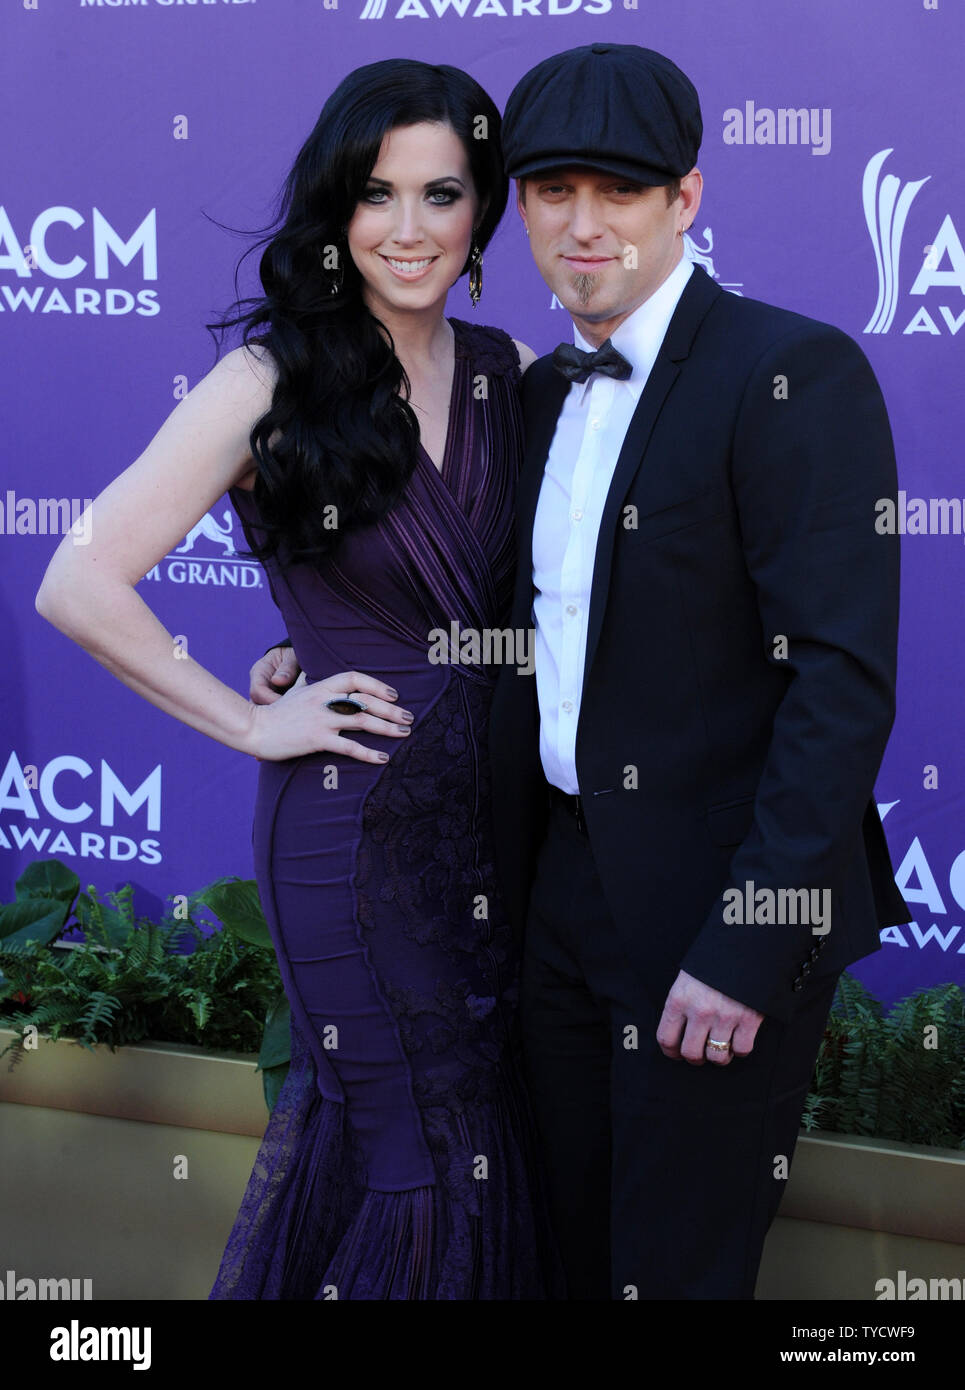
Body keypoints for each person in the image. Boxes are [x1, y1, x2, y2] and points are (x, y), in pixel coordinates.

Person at [258, 43, 911, 1301]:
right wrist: (318, 645)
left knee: (674, 1270)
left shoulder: (791, 373)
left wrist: (744, 943)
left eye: (620, 190)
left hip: (711, 908)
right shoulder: (533, 388)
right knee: (552, 1252)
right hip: (545, 898)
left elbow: (838, 683)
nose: (584, 224)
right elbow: (513, 623)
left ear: (686, 198)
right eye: (553, 191)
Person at [36, 58, 564, 1300]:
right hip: (352, 835)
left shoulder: (509, 370)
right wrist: (254, 719)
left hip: (494, 833)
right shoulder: (267, 382)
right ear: (335, 212)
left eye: (441, 195)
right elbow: (79, 582)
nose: (408, 229)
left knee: (476, 1150)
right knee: (409, 1160)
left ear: (482, 207)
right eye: (375, 196)